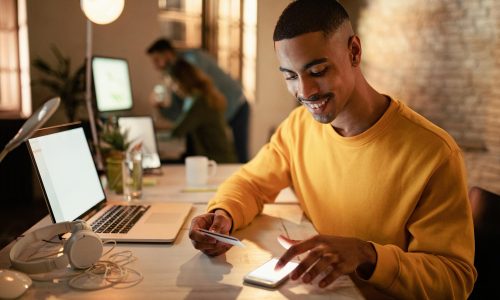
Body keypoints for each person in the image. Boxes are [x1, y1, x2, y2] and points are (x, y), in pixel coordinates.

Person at [187, 0, 477, 299]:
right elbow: (251, 182)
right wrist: (223, 215)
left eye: (318, 70)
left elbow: (454, 281)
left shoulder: (435, 153)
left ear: (354, 52)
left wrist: (369, 255)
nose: (304, 91)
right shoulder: (299, 126)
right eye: (290, 75)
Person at [146, 39, 250, 163]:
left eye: (157, 60)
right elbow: (181, 113)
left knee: (239, 156)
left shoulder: (192, 62)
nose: (155, 66)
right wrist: (161, 109)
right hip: (219, 107)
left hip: (237, 105)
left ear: (167, 54)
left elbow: (187, 112)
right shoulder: (179, 75)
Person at [164, 58, 237, 163]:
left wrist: (162, 111)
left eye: (173, 84)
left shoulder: (199, 101)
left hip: (216, 161)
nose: (174, 89)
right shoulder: (201, 95)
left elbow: (178, 131)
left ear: (181, 81)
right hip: (218, 157)